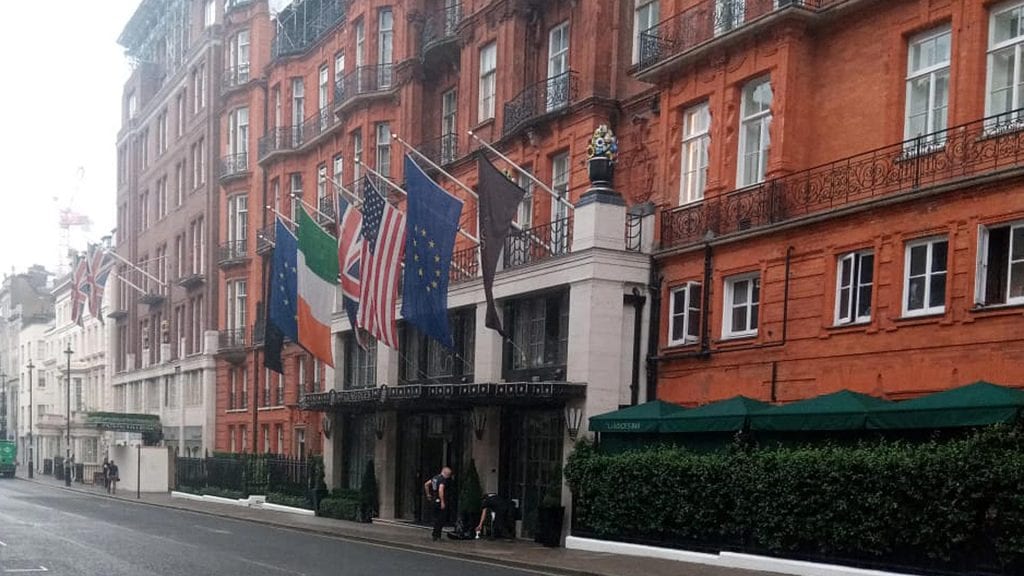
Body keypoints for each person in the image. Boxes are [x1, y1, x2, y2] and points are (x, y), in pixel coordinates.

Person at [423, 466, 453, 541]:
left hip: (434, 499)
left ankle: (435, 534)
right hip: (439, 500)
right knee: (441, 519)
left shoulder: (435, 478)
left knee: (436, 518)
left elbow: (426, 484)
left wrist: (428, 494)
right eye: (448, 474)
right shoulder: (443, 480)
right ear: (446, 473)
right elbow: (441, 490)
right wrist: (442, 501)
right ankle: (437, 535)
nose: (448, 477)